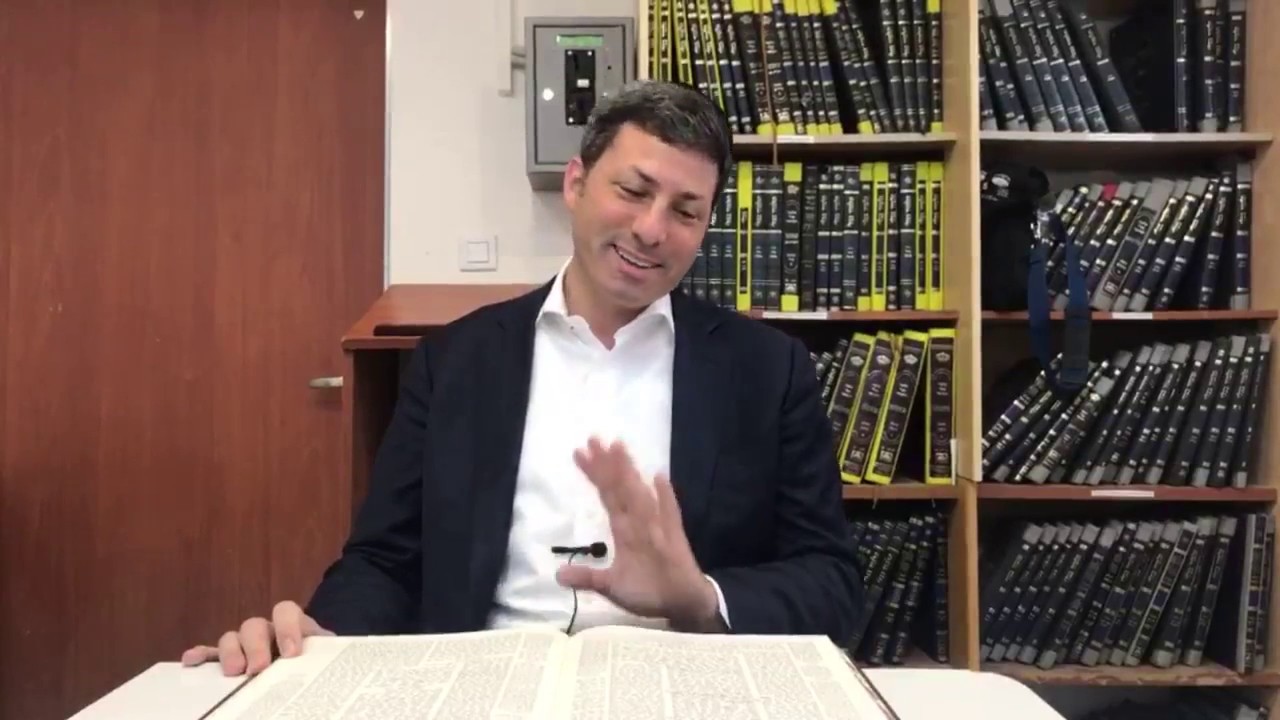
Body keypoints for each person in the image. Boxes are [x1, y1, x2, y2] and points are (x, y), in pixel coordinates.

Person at [182, 79, 863, 677]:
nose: (652, 230)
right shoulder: (456, 361)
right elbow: (385, 561)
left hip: (679, 684)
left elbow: (833, 584)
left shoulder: (767, 370)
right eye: (633, 191)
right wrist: (318, 640)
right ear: (576, 184)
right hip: (483, 680)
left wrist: (700, 599)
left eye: (686, 211)